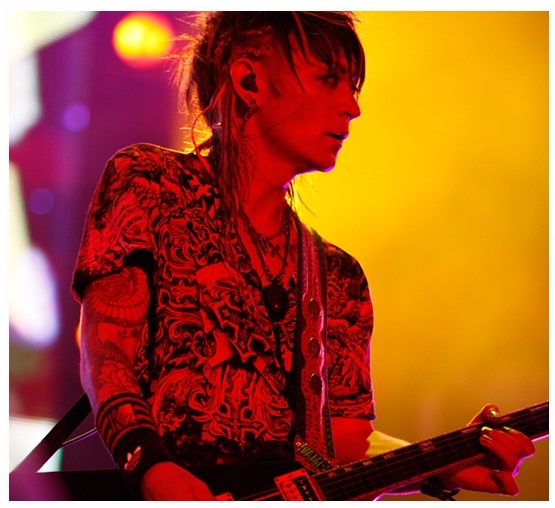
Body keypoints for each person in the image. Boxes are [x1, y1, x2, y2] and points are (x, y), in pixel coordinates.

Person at [72, 12, 535, 501]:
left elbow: (345, 446)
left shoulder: (337, 275)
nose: (353, 107)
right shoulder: (150, 182)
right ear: (250, 80)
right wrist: (150, 467)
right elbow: (107, 355)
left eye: (353, 87)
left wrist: (441, 464)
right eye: (329, 79)